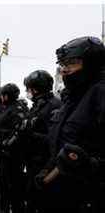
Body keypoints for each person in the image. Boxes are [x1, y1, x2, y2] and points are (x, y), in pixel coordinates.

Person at [37, 36, 105, 212]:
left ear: (91, 64)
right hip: (61, 196)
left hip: (89, 197)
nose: (65, 70)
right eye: (63, 65)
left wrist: (89, 164)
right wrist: (46, 170)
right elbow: (61, 143)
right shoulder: (70, 98)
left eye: (72, 63)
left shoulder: (100, 94)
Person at [23, 70, 62, 213]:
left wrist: (31, 135)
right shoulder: (39, 105)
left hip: (45, 165)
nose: (27, 92)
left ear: (36, 89)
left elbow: (56, 139)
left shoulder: (54, 106)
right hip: (33, 162)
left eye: (29, 89)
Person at [0, 83, 29, 213]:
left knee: (13, 189)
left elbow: (19, 132)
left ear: (6, 96)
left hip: (12, 157)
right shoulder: (9, 108)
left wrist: (5, 145)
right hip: (6, 155)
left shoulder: (16, 110)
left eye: (2, 95)